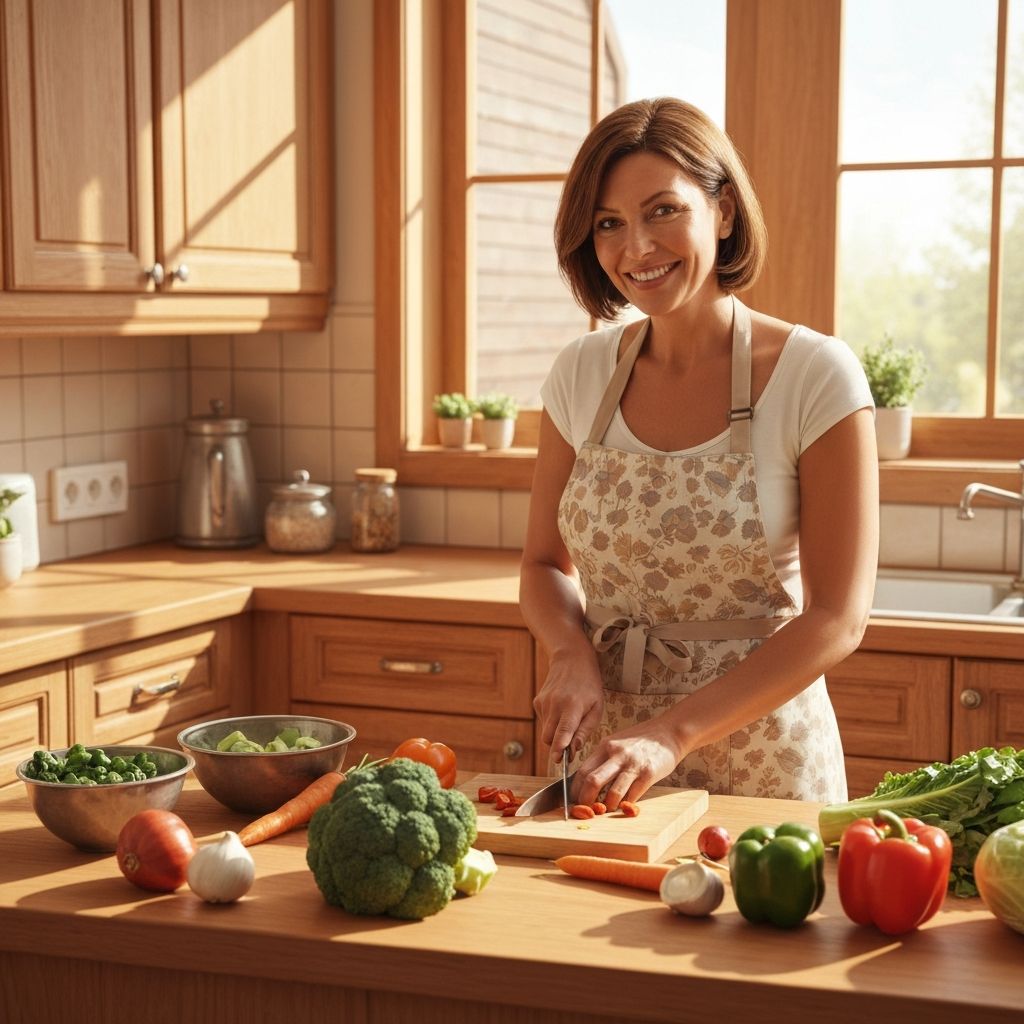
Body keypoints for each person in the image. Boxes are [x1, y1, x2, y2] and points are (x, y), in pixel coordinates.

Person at [520, 97, 879, 809]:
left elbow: (838, 617)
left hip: (765, 760)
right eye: (608, 224)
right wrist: (569, 652)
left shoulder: (815, 373)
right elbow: (542, 565)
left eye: (662, 211)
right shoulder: (579, 374)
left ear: (723, 212)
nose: (636, 249)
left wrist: (673, 733)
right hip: (611, 761)